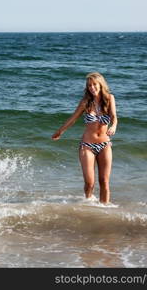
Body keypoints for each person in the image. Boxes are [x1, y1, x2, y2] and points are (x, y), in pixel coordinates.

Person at [51, 72, 118, 203]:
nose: (92, 87)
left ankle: (105, 210)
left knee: (104, 181)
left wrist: (114, 126)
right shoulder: (86, 102)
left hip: (105, 144)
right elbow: (72, 119)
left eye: (94, 84)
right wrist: (60, 131)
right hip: (87, 146)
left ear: (100, 84)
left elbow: (114, 116)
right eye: (89, 85)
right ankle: (88, 205)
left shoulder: (110, 98)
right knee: (90, 183)